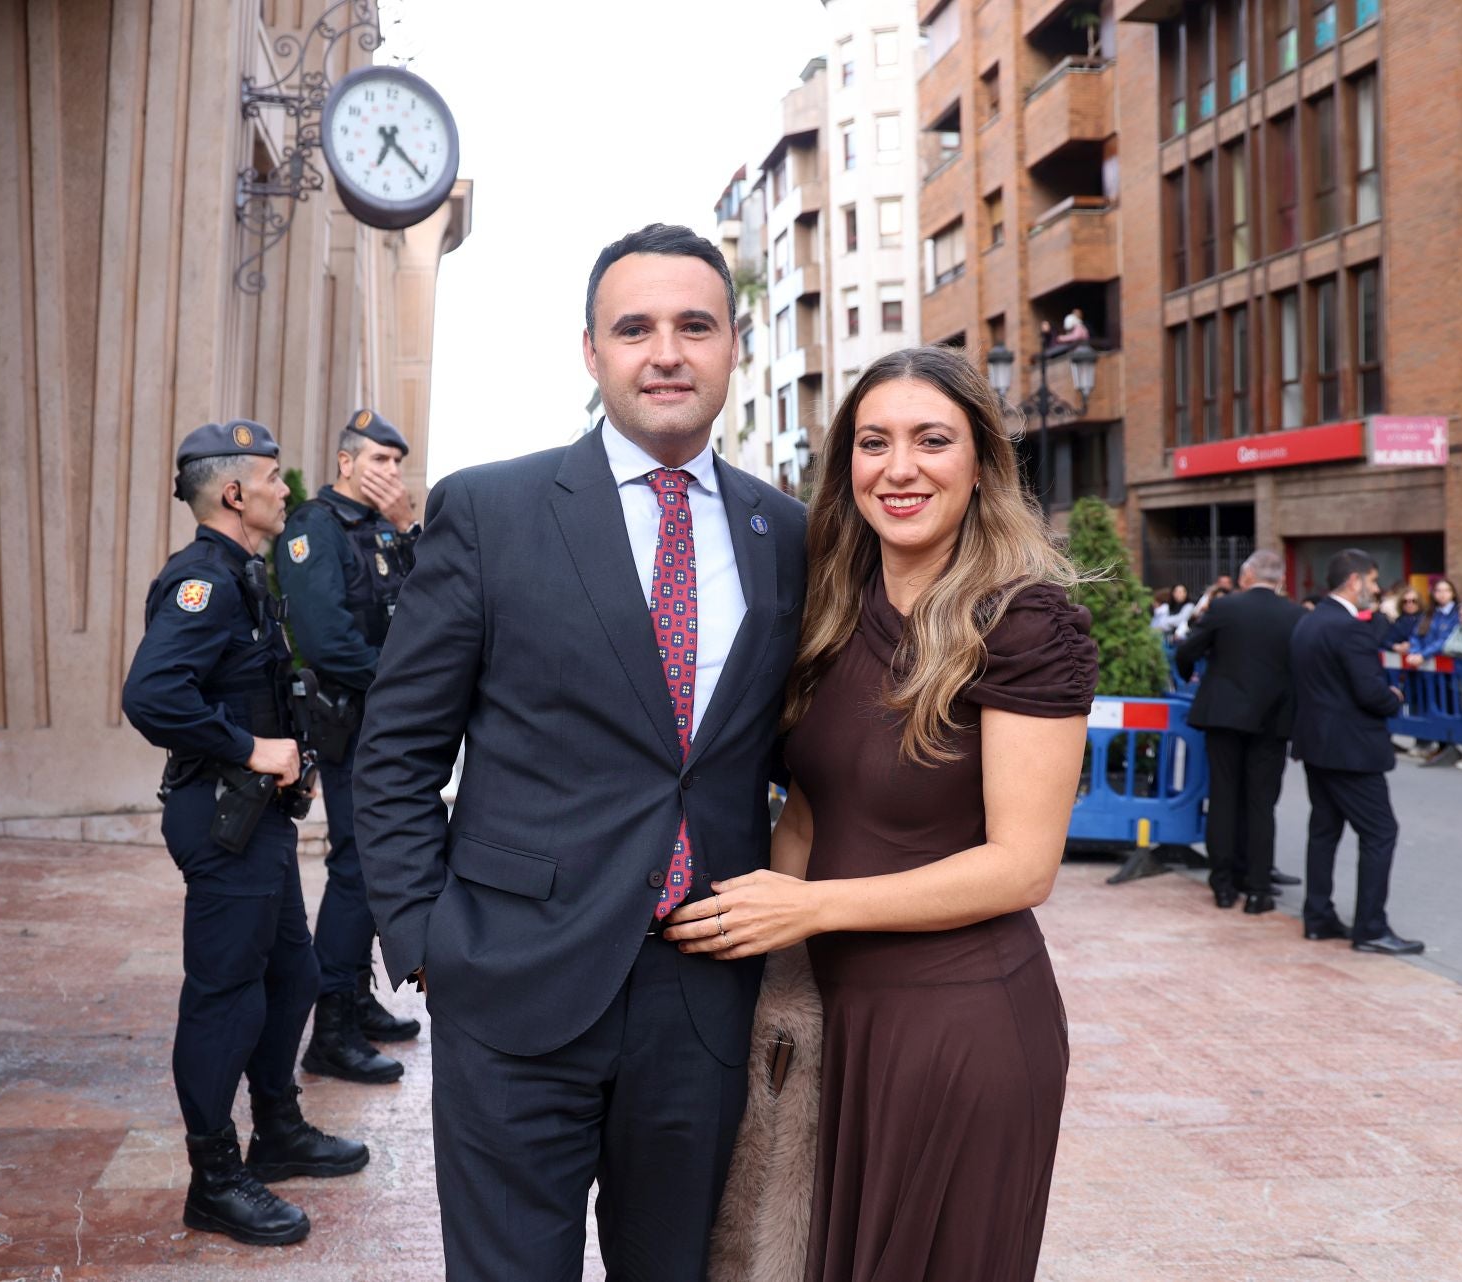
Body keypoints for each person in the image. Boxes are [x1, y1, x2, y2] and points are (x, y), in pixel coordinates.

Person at [352, 225, 807, 1281]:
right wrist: (425, 939)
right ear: (591, 351)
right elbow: (398, 749)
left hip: (702, 995)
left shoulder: (785, 533)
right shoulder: (492, 510)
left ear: (734, 347)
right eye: (635, 328)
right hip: (513, 982)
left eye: (695, 326)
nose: (666, 353)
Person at [663, 344, 1095, 1281]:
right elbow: (809, 814)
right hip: (834, 1023)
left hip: (961, 1028)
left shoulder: (1024, 621)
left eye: (931, 440)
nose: (900, 469)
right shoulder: (830, 612)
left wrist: (811, 908)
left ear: (980, 462)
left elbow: (1024, 866)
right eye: (874, 443)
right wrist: (753, 948)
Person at [122, 420, 368, 1246]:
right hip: (224, 818)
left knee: (292, 977)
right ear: (233, 492)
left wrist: (286, 751)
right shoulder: (204, 582)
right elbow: (152, 694)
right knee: (225, 997)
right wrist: (250, 748)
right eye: (270, 477)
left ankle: (277, 1130)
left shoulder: (244, 574)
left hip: (257, 818)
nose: (284, 489)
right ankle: (214, 1178)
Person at [274, 409, 421, 1086]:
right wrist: (404, 684)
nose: (391, 472)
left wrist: (408, 529)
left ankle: (356, 999)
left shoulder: (381, 528)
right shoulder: (316, 528)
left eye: (397, 462)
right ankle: (330, 1030)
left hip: (384, 722)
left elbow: (434, 603)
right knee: (358, 866)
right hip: (351, 721)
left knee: (375, 865)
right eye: (379, 459)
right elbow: (327, 639)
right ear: (345, 462)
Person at [1289, 548, 1424, 955]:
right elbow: (1369, 692)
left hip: (1317, 744)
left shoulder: (1309, 621)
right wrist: (1392, 697)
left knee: (1324, 830)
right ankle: (1370, 928)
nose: (1376, 589)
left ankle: (1318, 916)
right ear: (1354, 581)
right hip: (1351, 749)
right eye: (1373, 580)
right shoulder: (1348, 628)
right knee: (1381, 831)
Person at [1175, 549, 1304, 913]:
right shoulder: (1295, 615)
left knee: (1224, 797)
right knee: (1261, 804)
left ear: (1247, 576)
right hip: (1273, 720)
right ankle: (1258, 887)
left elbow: (1187, 651)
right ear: (1280, 580)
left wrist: (1190, 676)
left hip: (1225, 714)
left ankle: (1223, 884)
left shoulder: (1225, 608)